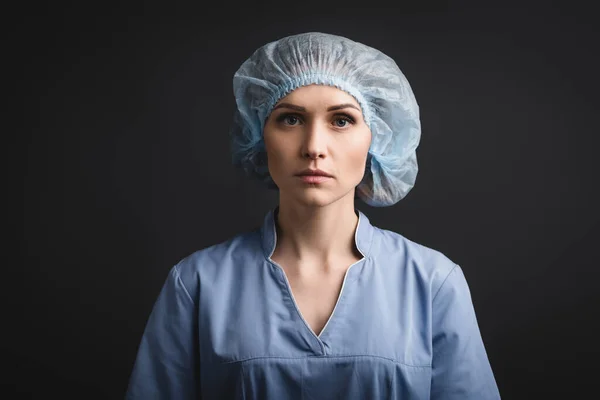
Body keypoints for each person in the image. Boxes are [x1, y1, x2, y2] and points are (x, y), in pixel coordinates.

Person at [125, 32, 501, 399]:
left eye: (341, 120)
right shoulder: (198, 284)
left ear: (378, 136)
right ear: (259, 133)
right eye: (290, 119)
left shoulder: (432, 282)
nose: (313, 147)